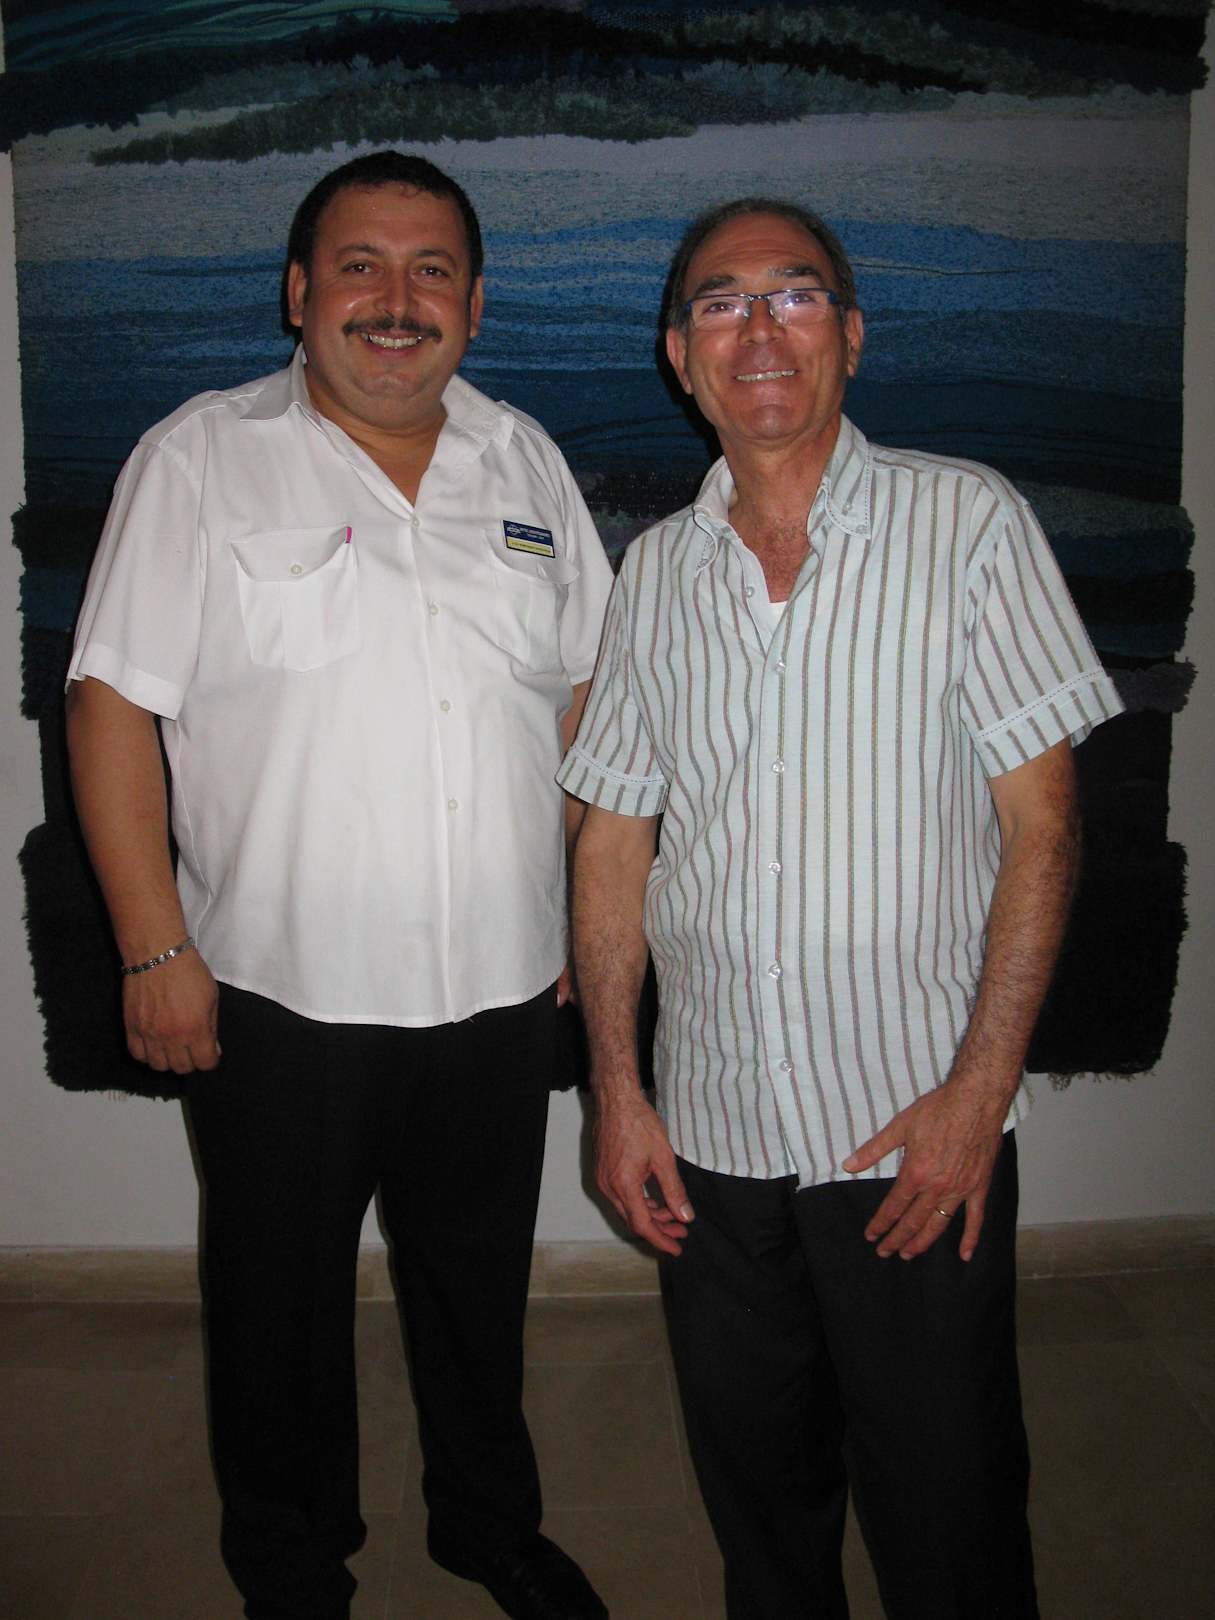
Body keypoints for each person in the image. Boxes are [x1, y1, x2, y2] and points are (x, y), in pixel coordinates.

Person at [65, 151, 613, 1620]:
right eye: (360, 264)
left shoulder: (527, 462)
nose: (396, 298)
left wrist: (586, 914)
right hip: (275, 993)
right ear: (299, 290)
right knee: (279, 1305)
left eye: (432, 270)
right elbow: (110, 707)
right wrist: (150, 948)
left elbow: (586, 706)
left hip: (499, 985)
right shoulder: (200, 458)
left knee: (476, 1288)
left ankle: (488, 1527)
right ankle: (294, 1564)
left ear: (476, 304)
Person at [560, 197, 1123, 1619]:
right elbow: (614, 843)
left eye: (795, 294)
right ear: (680, 356)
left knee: (950, 1507)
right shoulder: (655, 575)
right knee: (763, 1508)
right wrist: (619, 1092)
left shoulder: (968, 523)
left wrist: (979, 1095)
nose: (758, 328)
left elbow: (1045, 831)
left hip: (910, 1127)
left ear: (852, 336)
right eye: (720, 302)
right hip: (713, 1133)